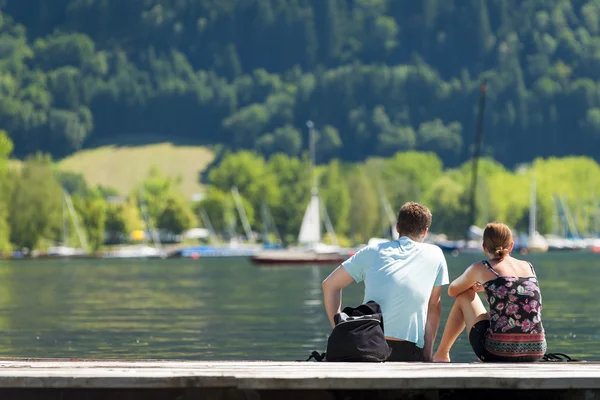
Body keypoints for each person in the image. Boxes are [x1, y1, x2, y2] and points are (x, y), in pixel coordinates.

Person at [322, 202, 449, 362]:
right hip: (409, 350)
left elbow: (330, 285)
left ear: (397, 228)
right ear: (425, 231)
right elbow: (433, 307)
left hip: (367, 344)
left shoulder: (372, 251)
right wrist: (427, 355)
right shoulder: (436, 254)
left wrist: (342, 331)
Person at [432, 222, 547, 363]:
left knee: (464, 294)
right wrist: (486, 286)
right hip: (536, 351)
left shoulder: (481, 267)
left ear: (484, 248)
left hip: (497, 353)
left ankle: (442, 353)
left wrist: (476, 285)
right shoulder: (528, 266)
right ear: (511, 245)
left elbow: (452, 290)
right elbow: (513, 289)